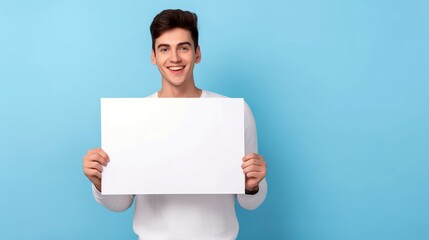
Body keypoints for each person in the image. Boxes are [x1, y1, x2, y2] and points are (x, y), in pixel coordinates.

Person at [83, 9, 267, 239]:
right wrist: (101, 183)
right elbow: (122, 203)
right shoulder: (134, 117)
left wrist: (253, 185)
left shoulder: (235, 112)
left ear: (197, 53)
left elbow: (250, 203)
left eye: (183, 47)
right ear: (153, 56)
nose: (175, 58)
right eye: (164, 49)